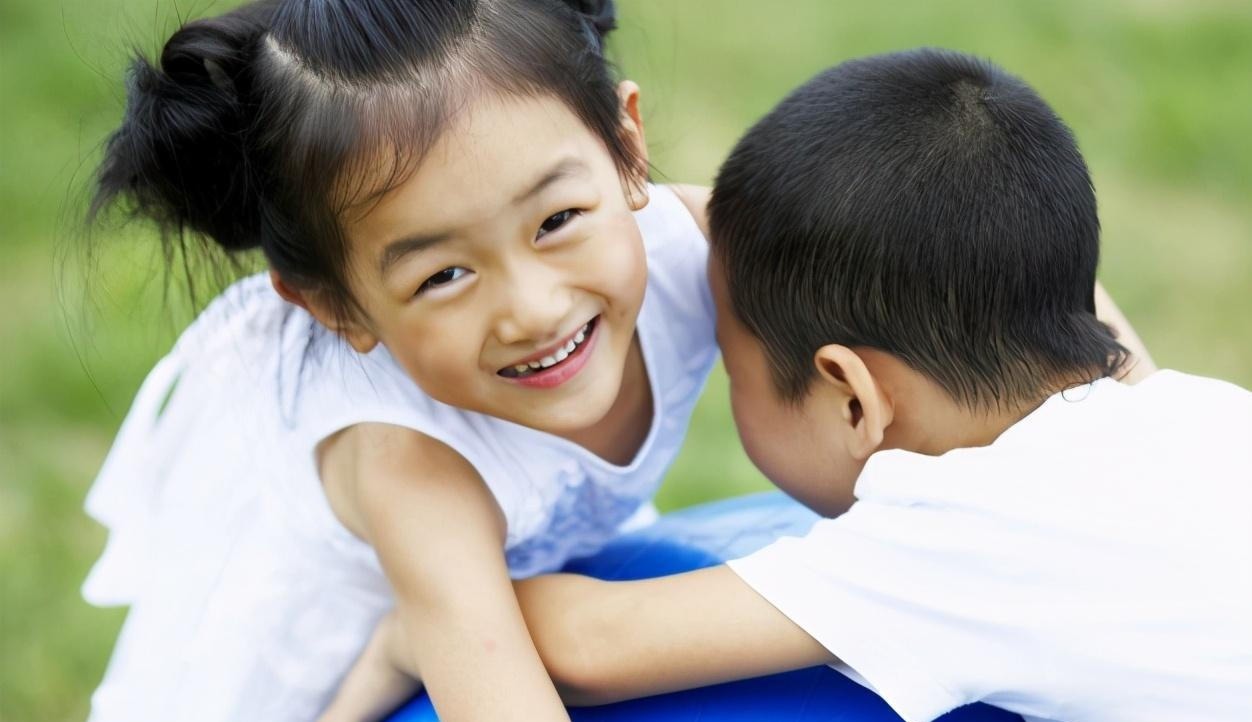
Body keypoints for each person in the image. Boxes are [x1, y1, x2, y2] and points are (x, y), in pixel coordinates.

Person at [348, 49, 1251, 722]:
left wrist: (421, 626)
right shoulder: (1197, 415)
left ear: (852, 398)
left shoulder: (954, 538)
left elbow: (589, 644)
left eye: (731, 365)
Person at [79, 1, 722, 720]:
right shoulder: (405, 457)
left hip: (487, 604)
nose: (534, 310)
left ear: (627, 149)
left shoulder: (706, 246)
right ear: (337, 306)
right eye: (443, 276)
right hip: (302, 690)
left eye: (557, 220)